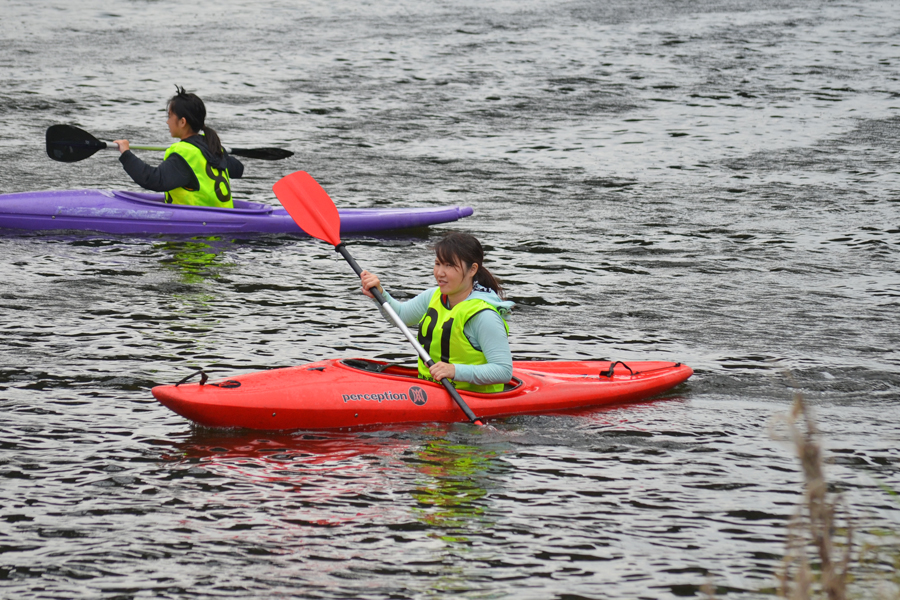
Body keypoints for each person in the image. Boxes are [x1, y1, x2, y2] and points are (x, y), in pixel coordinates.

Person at [360, 232, 514, 393]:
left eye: (449, 265)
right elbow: (400, 317)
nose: (440, 273)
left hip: (471, 399)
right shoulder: (433, 296)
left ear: (472, 270)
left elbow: (503, 371)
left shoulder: (484, 316)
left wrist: (454, 371)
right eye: (438, 263)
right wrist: (379, 295)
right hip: (428, 390)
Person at [113, 86, 244, 207]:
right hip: (222, 216)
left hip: (199, 224)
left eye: (170, 116)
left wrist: (126, 153)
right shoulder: (213, 146)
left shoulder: (184, 154)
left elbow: (153, 179)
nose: (167, 121)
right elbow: (238, 170)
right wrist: (223, 154)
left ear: (182, 122)